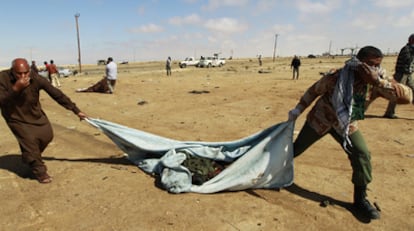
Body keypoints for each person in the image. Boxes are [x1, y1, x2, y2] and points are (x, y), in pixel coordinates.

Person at [287, 46, 407, 220]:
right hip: (320, 121)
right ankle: (267, 172)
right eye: (370, 65)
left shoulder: (377, 81)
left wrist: (378, 82)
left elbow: (406, 98)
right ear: (359, 64)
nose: (374, 69)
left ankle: (360, 200)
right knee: (295, 150)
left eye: (377, 65)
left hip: (346, 126)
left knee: (362, 153)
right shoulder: (336, 77)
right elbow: (313, 91)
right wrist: (298, 109)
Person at [0, 58, 88, 183]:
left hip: (35, 115)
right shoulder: (2, 78)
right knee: (30, 141)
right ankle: (40, 171)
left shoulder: (35, 78)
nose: (23, 76)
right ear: (12, 71)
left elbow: (56, 94)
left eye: (26, 72)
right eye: (19, 74)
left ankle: (30, 157)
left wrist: (75, 110)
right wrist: (15, 89)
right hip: (15, 117)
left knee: (47, 136)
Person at [383, 33, 414, 119]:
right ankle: (389, 113)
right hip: (401, 74)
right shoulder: (406, 49)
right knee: (397, 93)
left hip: (409, 74)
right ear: (411, 40)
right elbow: (408, 59)